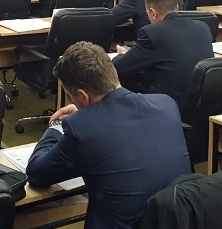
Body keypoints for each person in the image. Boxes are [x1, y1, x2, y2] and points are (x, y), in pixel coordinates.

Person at [26, 42, 191, 229]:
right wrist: (87, 113)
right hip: (176, 222)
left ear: (83, 96)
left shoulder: (82, 127)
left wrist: (56, 126)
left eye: (70, 96)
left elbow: (37, 174)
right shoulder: (166, 104)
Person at [113, 0, 213, 108]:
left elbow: (120, 67)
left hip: (167, 106)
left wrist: (122, 55)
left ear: (153, 13)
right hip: (201, 106)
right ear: (177, 7)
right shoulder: (203, 27)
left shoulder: (152, 32)